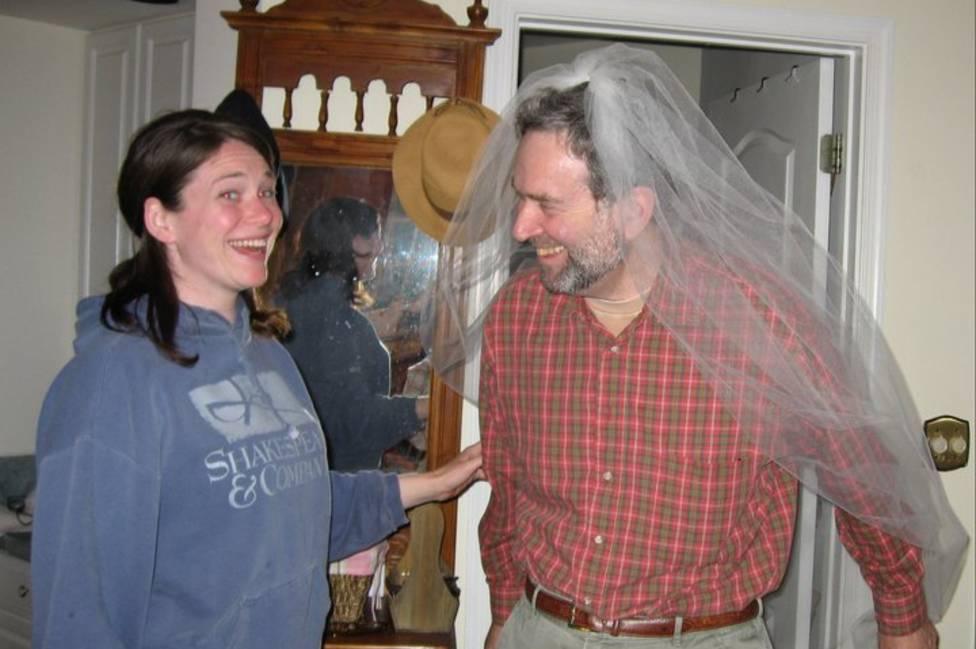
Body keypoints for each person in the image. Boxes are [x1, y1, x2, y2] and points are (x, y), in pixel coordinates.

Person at [424, 45, 966, 649]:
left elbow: (861, 468)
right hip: (539, 629)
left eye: (547, 204)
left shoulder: (757, 320)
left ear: (632, 210)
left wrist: (904, 622)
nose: (520, 227)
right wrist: (503, 615)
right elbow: (509, 487)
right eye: (520, 197)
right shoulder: (517, 318)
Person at [30, 108, 482, 649]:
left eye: (267, 192)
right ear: (161, 220)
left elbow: (298, 508)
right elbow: (82, 613)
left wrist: (436, 483)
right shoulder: (110, 384)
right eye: (230, 194)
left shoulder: (269, 355)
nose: (265, 215)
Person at [278, 197, 429, 471]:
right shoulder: (332, 317)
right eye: (377, 235)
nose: (381, 247)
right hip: (337, 485)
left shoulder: (297, 302)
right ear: (357, 242)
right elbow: (355, 421)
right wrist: (425, 407)